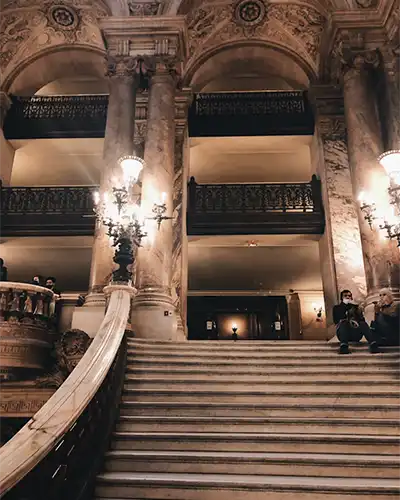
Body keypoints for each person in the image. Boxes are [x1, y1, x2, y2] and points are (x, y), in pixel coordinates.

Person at [333, 289, 379, 354]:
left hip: (355, 333)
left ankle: (373, 344)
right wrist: (347, 316)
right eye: (345, 296)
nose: (347, 297)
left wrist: (359, 314)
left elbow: (362, 322)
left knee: (362, 323)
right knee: (343, 322)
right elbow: (336, 321)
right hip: (342, 333)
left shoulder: (355, 307)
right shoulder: (336, 308)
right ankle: (344, 347)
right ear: (341, 298)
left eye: (349, 296)